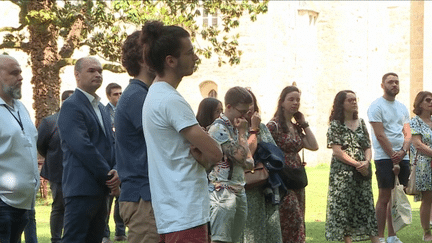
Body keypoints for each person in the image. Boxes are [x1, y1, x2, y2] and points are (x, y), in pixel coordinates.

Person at [141, 21, 223, 242]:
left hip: (173, 210)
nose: (195, 57)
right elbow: (215, 154)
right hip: (185, 211)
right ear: (170, 61)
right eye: (190, 52)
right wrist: (207, 156)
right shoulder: (170, 99)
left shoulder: (155, 95)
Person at [57, 57, 120, 243]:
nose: (98, 74)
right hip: (81, 189)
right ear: (77, 75)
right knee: (74, 239)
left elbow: (111, 144)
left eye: (100, 71)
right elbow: (82, 147)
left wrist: (116, 168)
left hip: (101, 190)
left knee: (95, 238)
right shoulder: (71, 106)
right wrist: (109, 176)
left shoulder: (101, 108)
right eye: (91, 70)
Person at [115, 30, 159, 243]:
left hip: (146, 196)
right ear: (144, 57)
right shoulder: (137, 97)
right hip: (143, 198)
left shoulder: (143, 94)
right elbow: (164, 142)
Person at [325, 90, 379, 243]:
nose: (354, 102)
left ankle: (375, 240)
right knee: (343, 210)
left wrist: (366, 163)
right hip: (342, 176)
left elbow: (367, 146)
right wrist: (356, 164)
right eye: (350, 100)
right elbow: (337, 151)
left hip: (362, 174)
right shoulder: (335, 125)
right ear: (341, 104)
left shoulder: (361, 122)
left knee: (366, 207)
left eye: (355, 100)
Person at [266, 85, 318, 243]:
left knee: (299, 219)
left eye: (298, 100)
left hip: (297, 179)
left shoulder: (296, 128)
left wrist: (304, 124)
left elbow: (313, 145)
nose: (295, 103)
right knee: (290, 219)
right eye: (291, 99)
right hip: (282, 180)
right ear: (282, 102)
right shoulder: (273, 126)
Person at [0, 55, 40, 243]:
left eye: (21, 73)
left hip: (23, 204)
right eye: (14, 73)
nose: (21, 77)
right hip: (3, 205)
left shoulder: (20, 108)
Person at [207, 86, 254, 243]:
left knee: (235, 239)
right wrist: (243, 134)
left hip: (238, 187)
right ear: (229, 107)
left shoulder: (235, 127)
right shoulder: (219, 128)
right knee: (220, 239)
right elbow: (242, 157)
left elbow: (250, 161)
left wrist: (245, 158)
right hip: (223, 191)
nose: (244, 116)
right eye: (241, 111)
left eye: (247, 112)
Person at [367, 73, 410, 243]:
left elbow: (407, 133)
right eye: (390, 82)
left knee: (397, 194)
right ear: (382, 85)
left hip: (402, 156)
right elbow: (380, 135)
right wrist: (394, 156)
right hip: (385, 157)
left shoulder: (402, 107)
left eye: (396, 82)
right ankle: (380, 236)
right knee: (384, 197)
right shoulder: (376, 106)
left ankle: (392, 236)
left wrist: (404, 152)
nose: (394, 85)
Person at [242, 89, 283, 243]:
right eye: (244, 104)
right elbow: (245, 155)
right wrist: (253, 130)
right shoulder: (233, 128)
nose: (248, 107)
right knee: (250, 231)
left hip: (264, 186)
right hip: (246, 187)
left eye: (250, 103)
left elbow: (274, 153)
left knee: (269, 229)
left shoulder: (263, 127)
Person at [37, 90, 73, 243]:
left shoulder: (80, 120)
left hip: (76, 172)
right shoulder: (50, 122)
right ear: (63, 102)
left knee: (73, 207)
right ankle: (56, 239)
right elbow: (41, 146)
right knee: (59, 206)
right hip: (57, 172)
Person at [103, 82, 126, 243]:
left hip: (123, 159)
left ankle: (120, 231)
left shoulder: (124, 111)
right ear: (109, 96)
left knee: (121, 199)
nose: (119, 96)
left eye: (120, 93)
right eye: (115, 94)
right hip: (108, 159)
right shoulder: (104, 112)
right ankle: (105, 233)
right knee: (107, 200)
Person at [409, 91, 432, 241]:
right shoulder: (414, 122)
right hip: (425, 164)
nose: (431, 102)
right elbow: (418, 144)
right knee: (428, 198)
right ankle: (426, 232)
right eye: (428, 100)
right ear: (420, 104)